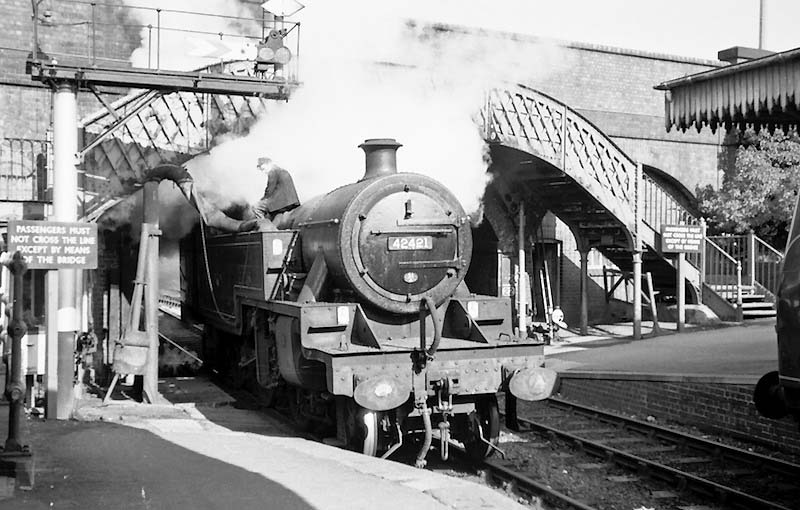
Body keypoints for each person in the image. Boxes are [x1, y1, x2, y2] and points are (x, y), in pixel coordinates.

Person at [251, 157, 300, 221]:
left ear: (268, 164)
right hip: (292, 201)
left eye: (263, 169)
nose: (263, 171)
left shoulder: (272, 171)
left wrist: (262, 200)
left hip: (281, 201)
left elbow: (269, 190)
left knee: (256, 207)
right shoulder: (281, 170)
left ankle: (263, 225)